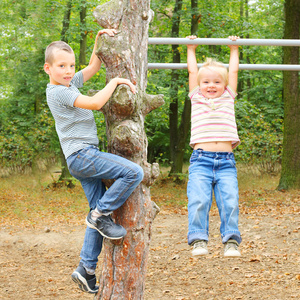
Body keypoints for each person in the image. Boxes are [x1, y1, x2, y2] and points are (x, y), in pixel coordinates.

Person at [44, 29, 144, 293]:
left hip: (80, 158)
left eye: (70, 65)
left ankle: (86, 269)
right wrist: (117, 82)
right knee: (133, 173)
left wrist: (101, 38)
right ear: (48, 68)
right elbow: (97, 103)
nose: (68, 70)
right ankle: (101, 214)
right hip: (82, 156)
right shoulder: (59, 92)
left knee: (95, 214)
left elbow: (93, 66)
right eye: (61, 66)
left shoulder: (68, 83)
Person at [186, 35, 242, 257]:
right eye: (206, 82)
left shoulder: (228, 97)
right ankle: (199, 239)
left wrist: (234, 49)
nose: (211, 85)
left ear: (225, 85)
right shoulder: (196, 98)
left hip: (226, 162)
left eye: (217, 82)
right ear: (199, 85)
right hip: (201, 160)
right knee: (199, 199)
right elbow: (192, 72)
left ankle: (231, 241)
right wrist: (191, 49)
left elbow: (234, 72)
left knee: (230, 201)